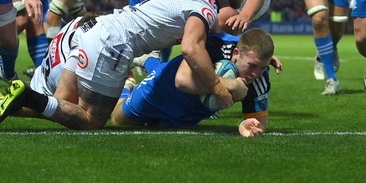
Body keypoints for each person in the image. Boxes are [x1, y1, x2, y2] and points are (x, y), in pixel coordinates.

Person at [0, 0, 252, 131]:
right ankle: (29, 97)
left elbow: (213, 27)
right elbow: (190, 48)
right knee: (92, 120)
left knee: (64, 102)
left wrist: (254, 47)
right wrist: (218, 88)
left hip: (97, 28)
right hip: (114, 44)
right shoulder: (204, 6)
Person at [111, 29, 274, 136]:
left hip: (190, 114)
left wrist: (248, 126)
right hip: (161, 91)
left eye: (262, 67)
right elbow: (182, 81)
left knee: (160, 126)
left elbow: (260, 124)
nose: (255, 74)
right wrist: (232, 84)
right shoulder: (214, 47)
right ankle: (128, 83)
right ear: (236, 53)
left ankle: (150, 60)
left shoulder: (260, 76)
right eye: (252, 65)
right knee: (118, 120)